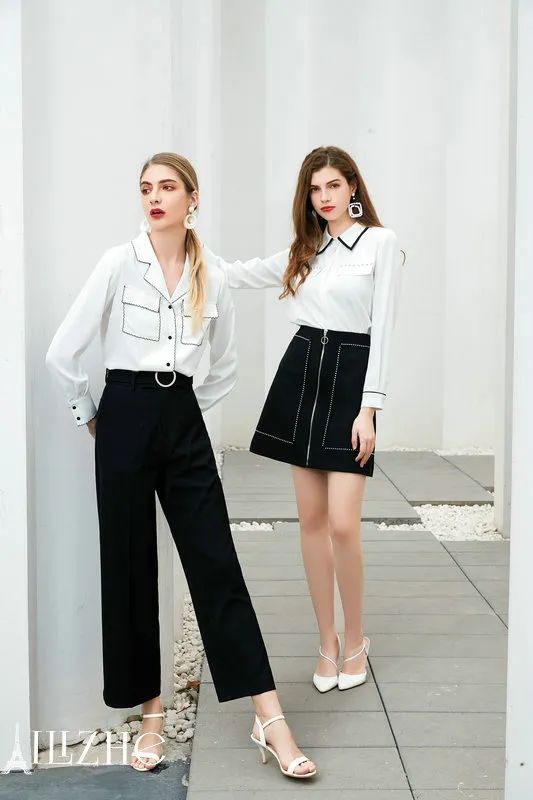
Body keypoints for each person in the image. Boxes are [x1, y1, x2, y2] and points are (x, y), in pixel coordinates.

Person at [45, 152, 316, 778]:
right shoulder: (118, 263)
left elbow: (226, 365)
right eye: (146, 188)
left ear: (192, 199)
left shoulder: (212, 274)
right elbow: (63, 352)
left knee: (216, 562)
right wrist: (93, 416)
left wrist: (183, 413)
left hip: (181, 419)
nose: (154, 198)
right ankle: (151, 714)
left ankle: (268, 716)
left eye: (167, 187)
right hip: (123, 414)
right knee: (130, 565)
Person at [203, 145, 404, 694]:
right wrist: (185, 229)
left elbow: (383, 330)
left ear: (353, 187)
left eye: (334, 185)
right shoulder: (304, 250)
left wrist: (370, 409)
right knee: (311, 522)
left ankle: (356, 638)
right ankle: (327, 642)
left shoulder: (380, 243)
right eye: (315, 189)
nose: (325, 197)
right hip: (303, 374)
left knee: (343, 524)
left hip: (352, 379)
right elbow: (232, 274)